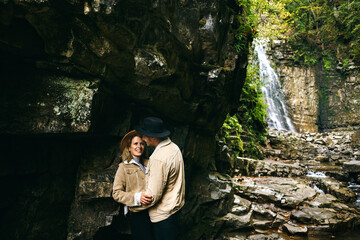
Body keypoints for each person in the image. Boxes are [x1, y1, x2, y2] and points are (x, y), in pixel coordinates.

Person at [134, 116, 185, 240]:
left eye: (145, 135)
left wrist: (133, 203)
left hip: (163, 215)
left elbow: (153, 195)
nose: (143, 139)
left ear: (153, 137)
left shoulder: (158, 158)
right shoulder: (174, 147)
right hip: (175, 208)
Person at [112, 130, 154, 240]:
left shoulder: (150, 163)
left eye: (141, 143)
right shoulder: (123, 167)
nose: (139, 146)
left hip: (155, 211)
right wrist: (137, 197)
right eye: (135, 144)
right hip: (138, 214)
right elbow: (116, 193)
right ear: (129, 147)